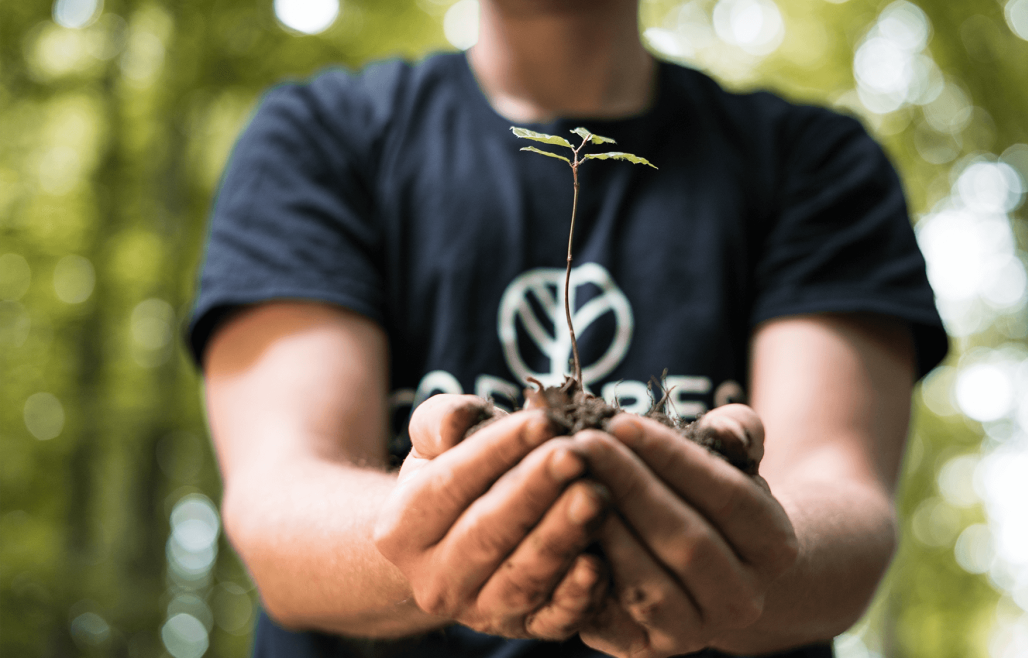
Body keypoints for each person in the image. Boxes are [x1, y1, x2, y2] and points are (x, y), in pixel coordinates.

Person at [186, 0, 948, 656]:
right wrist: (429, 531)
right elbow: (278, 498)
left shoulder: (813, 163)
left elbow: (841, 498)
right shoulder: (321, 139)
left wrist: (745, 541)